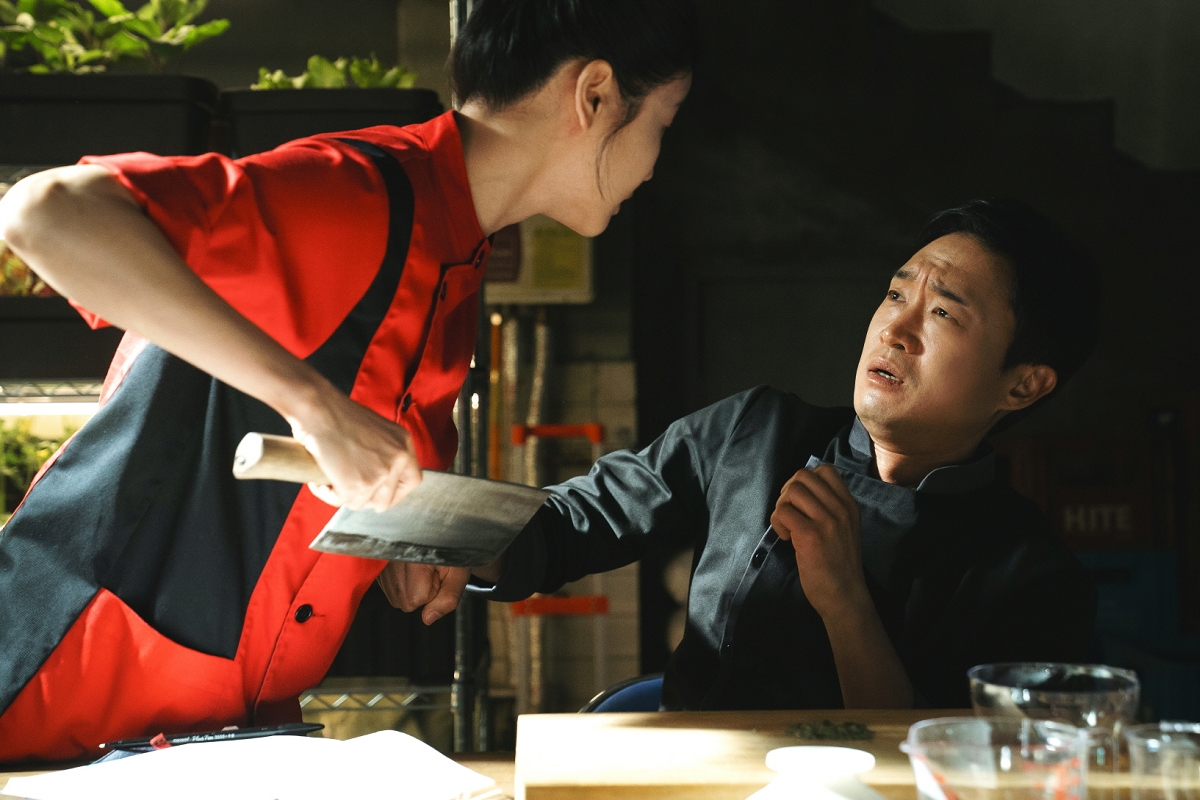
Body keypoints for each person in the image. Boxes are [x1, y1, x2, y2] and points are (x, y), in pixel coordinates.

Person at [0, 0, 698, 761]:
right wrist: (313, 406)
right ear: (594, 95)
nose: (656, 162)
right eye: (663, 122)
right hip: (59, 694)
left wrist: (401, 540)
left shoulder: (458, 256)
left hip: (206, 732)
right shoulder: (359, 191)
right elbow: (44, 212)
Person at [468, 199, 1101, 710]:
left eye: (941, 312)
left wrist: (845, 599)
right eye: (895, 295)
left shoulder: (1034, 577)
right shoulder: (755, 433)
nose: (894, 330)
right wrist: (446, 535)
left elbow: (952, 768)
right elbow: (577, 522)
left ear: (1023, 385)